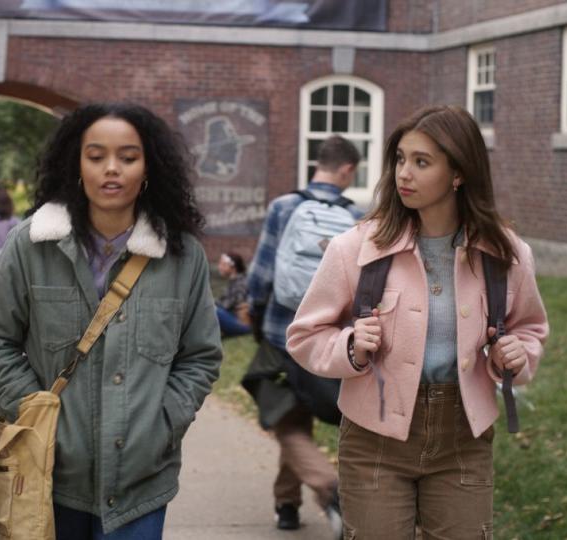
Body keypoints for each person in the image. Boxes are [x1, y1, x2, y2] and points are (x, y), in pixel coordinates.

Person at [287, 105, 549, 538]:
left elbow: (530, 328)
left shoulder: (507, 254)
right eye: (401, 159)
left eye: (421, 162)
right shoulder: (355, 247)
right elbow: (305, 335)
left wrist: (518, 354)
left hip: (464, 436)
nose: (403, 173)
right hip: (374, 436)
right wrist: (350, 347)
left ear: (459, 173)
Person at [0, 103, 222, 539]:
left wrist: (162, 425)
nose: (112, 169)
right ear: (76, 164)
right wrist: (33, 411)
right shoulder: (31, 246)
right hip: (49, 476)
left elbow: (199, 356)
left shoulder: (181, 255)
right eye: (96, 156)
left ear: (148, 168)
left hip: (141, 482)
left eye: (127, 157)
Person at [247, 134, 362, 534]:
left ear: (321, 162)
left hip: (281, 333)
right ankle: (286, 506)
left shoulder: (285, 206)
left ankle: (330, 490)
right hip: (328, 340)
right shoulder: (355, 215)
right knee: (294, 419)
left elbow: (261, 273)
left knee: (288, 423)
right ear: (347, 169)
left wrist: (258, 319)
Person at [215, 252, 251, 336]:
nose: (219, 267)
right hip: (233, 318)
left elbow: (230, 304)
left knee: (213, 310)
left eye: (223, 264)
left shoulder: (241, 283)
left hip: (241, 323)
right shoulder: (235, 281)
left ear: (233, 267)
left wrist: (210, 303)